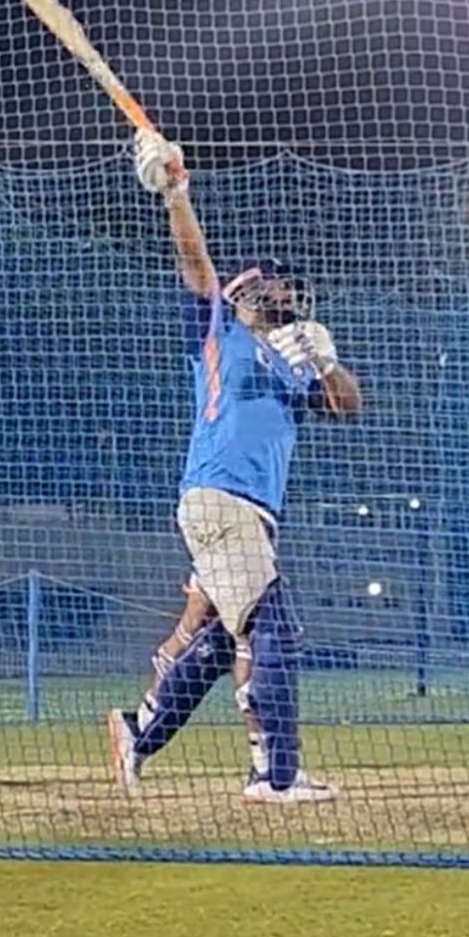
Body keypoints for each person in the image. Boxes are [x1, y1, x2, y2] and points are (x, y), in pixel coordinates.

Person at [104, 129, 362, 804]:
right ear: (247, 290)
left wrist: (327, 360)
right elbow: (195, 261)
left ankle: (138, 732)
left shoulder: (292, 357)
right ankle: (273, 775)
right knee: (272, 624)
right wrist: (176, 194)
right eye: (275, 282)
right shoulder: (218, 327)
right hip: (222, 499)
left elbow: (348, 408)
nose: (287, 291)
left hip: (249, 513)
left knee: (221, 643)